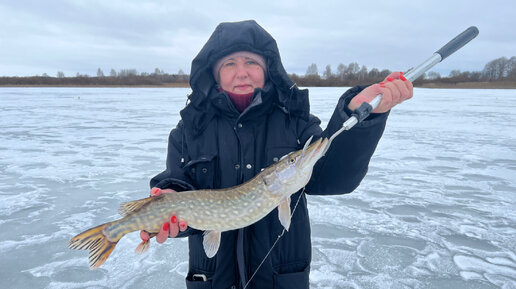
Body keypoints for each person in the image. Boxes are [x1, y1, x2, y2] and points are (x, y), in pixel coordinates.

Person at [140, 20, 412, 289]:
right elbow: (177, 185)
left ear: (268, 69)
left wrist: (359, 115)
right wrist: (169, 201)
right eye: (229, 64)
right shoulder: (189, 130)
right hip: (212, 279)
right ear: (214, 74)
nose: (242, 73)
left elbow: (333, 176)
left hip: (281, 279)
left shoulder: (295, 120)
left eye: (251, 62)